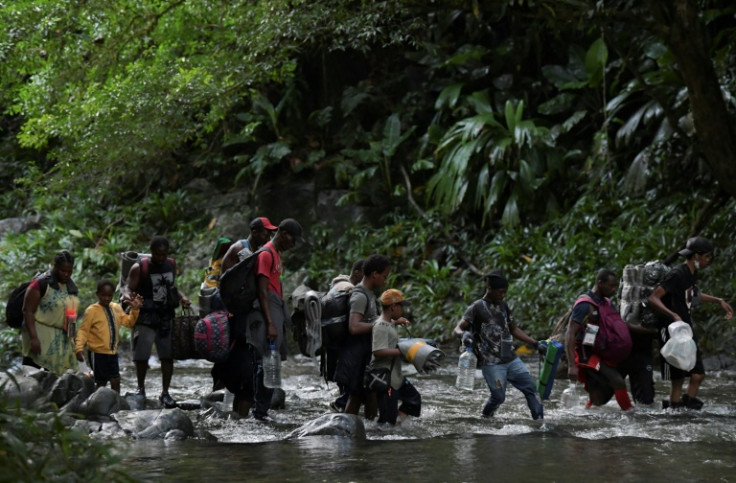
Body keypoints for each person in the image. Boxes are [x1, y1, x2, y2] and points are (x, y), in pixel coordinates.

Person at [226, 218, 303, 420]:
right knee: (266, 361)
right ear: (284, 233)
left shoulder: (276, 254)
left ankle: (262, 409)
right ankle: (259, 411)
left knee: (271, 361)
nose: (293, 244)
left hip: (274, 310)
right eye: (292, 240)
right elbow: (262, 291)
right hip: (264, 315)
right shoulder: (266, 254)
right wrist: (270, 323)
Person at [647, 236, 733, 410]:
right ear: (696, 256)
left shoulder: (692, 273)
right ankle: (676, 409)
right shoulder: (677, 274)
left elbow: (692, 295)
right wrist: (673, 315)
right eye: (707, 256)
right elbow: (653, 298)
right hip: (671, 329)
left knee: (698, 374)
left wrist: (718, 300)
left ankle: (685, 406)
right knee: (677, 377)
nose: (708, 260)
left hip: (685, 329)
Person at [453, 271, 545, 420]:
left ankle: (540, 424)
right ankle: (485, 419)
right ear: (490, 289)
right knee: (498, 397)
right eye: (501, 292)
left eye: (505, 292)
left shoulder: (503, 305)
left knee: (532, 390)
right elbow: (458, 328)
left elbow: (514, 329)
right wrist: (463, 335)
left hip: (511, 358)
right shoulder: (476, 307)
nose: (503, 295)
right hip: (491, 363)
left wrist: (535, 343)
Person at [122, 236, 191, 408]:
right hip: (145, 315)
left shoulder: (171, 264)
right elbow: (127, 287)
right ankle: (140, 389)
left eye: (164, 254)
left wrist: (182, 297)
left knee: (167, 356)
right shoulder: (140, 268)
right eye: (158, 254)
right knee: (142, 355)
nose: (161, 258)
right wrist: (128, 297)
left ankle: (165, 393)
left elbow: (172, 286)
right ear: (152, 252)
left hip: (166, 315)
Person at [566, 269, 634, 411]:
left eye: (615, 285)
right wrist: (572, 365)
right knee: (617, 381)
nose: (613, 289)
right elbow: (570, 333)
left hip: (602, 349)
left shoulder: (607, 302)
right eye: (611, 285)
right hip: (586, 353)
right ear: (600, 283)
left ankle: (588, 412)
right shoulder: (584, 305)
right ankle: (630, 415)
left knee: (598, 396)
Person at [334, 254, 391, 419]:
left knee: (368, 394)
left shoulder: (369, 294)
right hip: (355, 357)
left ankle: (367, 434)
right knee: (357, 396)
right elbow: (354, 327)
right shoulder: (359, 295)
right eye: (384, 276)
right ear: (374, 274)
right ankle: (351, 433)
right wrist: (381, 326)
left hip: (364, 357)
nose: (385, 281)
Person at [75, 280, 144, 393]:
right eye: (103, 295)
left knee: (115, 379)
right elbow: (83, 331)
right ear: (97, 294)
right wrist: (79, 348)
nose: (107, 298)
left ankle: (115, 403)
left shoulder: (116, 308)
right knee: (101, 382)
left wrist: (135, 310)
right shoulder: (91, 311)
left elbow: (128, 322)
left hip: (112, 353)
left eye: (109, 295)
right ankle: (97, 403)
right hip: (97, 354)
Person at [21, 250, 80, 376]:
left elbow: (71, 316)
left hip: (59, 338)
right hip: (39, 333)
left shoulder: (70, 287)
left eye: (69, 271)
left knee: (57, 376)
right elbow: (28, 311)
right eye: (63, 271)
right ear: (55, 267)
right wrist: (33, 338)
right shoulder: (40, 283)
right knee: (32, 371)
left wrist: (73, 341)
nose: (66, 274)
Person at [372, 289, 420, 425]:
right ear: (393, 307)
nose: (402, 310)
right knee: (387, 420)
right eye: (401, 306)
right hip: (387, 382)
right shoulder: (380, 326)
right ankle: (386, 437)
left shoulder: (387, 323)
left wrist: (396, 322)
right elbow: (378, 351)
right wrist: (404, 351)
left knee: (414, 400)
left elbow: (388, 327)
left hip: (395, 378)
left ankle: (397, 423)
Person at [326, 258, 364, 412]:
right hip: (344, 345)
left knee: (346, 385)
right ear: (356, 272)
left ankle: (342, 406)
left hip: (334, 343)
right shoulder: (349, 289)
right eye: (364, 273)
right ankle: (340, 406)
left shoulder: (338, 284)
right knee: (352, 385)